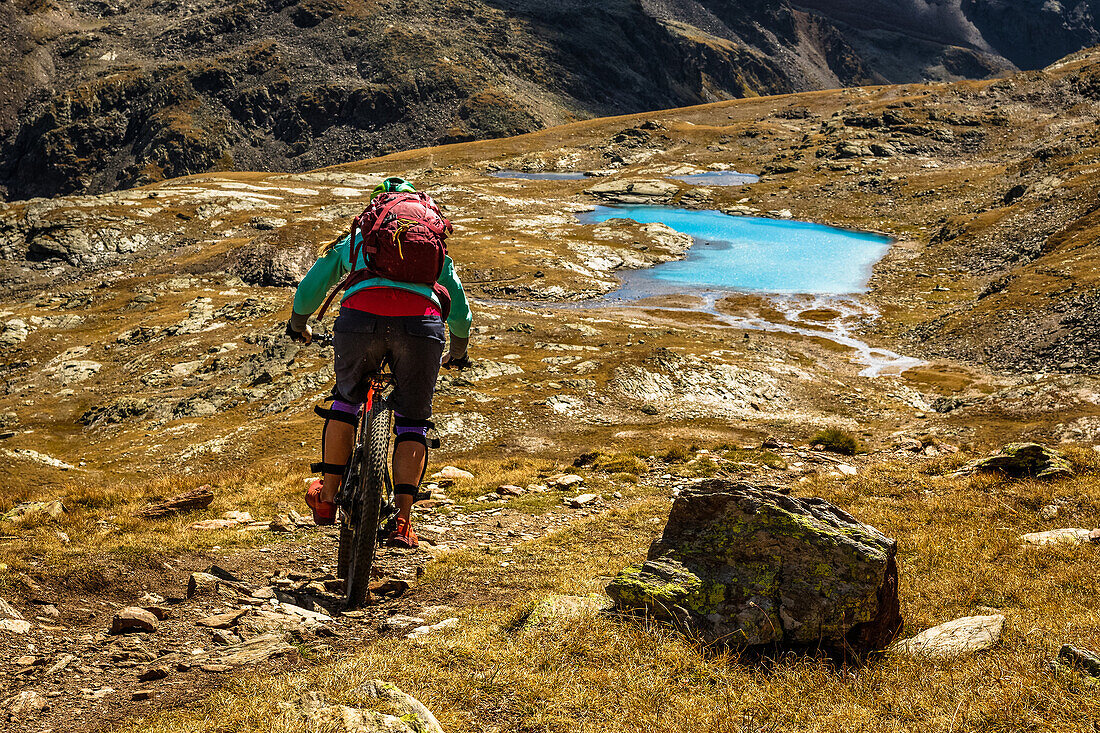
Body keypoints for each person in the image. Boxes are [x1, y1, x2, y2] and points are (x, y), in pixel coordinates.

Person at [285, 177, 472, 548]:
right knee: (412, 422)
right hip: (422, 327)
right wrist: (460, 349)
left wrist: (299, 323)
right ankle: (402, 521)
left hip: (360, 322)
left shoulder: (359, 238)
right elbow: (460, 309)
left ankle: (327, 500)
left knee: (346, 402)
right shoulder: (434, 247)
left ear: (376, 209)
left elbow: (312, 286)